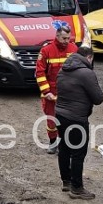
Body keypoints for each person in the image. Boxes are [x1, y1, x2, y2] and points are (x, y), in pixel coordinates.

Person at [54, 45, 103, 199]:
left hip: (59, 115)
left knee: (64, 147)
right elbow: (98, 98)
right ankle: (76, 188)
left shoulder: (63, 69)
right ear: (89, 57)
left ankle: (66, 181)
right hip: (76, 118)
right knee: (78, 152)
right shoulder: (86, 73)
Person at [35, 25, 79, 154]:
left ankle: (63, 144)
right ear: (57, 36)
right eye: (64, 38)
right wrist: (46, 92)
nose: (66, 41)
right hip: (51, 92)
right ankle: (53, 142)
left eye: (68, 38)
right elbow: (40, 72)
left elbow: (78, 70)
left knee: (67, 120)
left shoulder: (73, 49)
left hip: (68, 92)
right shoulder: (46, 50)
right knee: (52, 120)